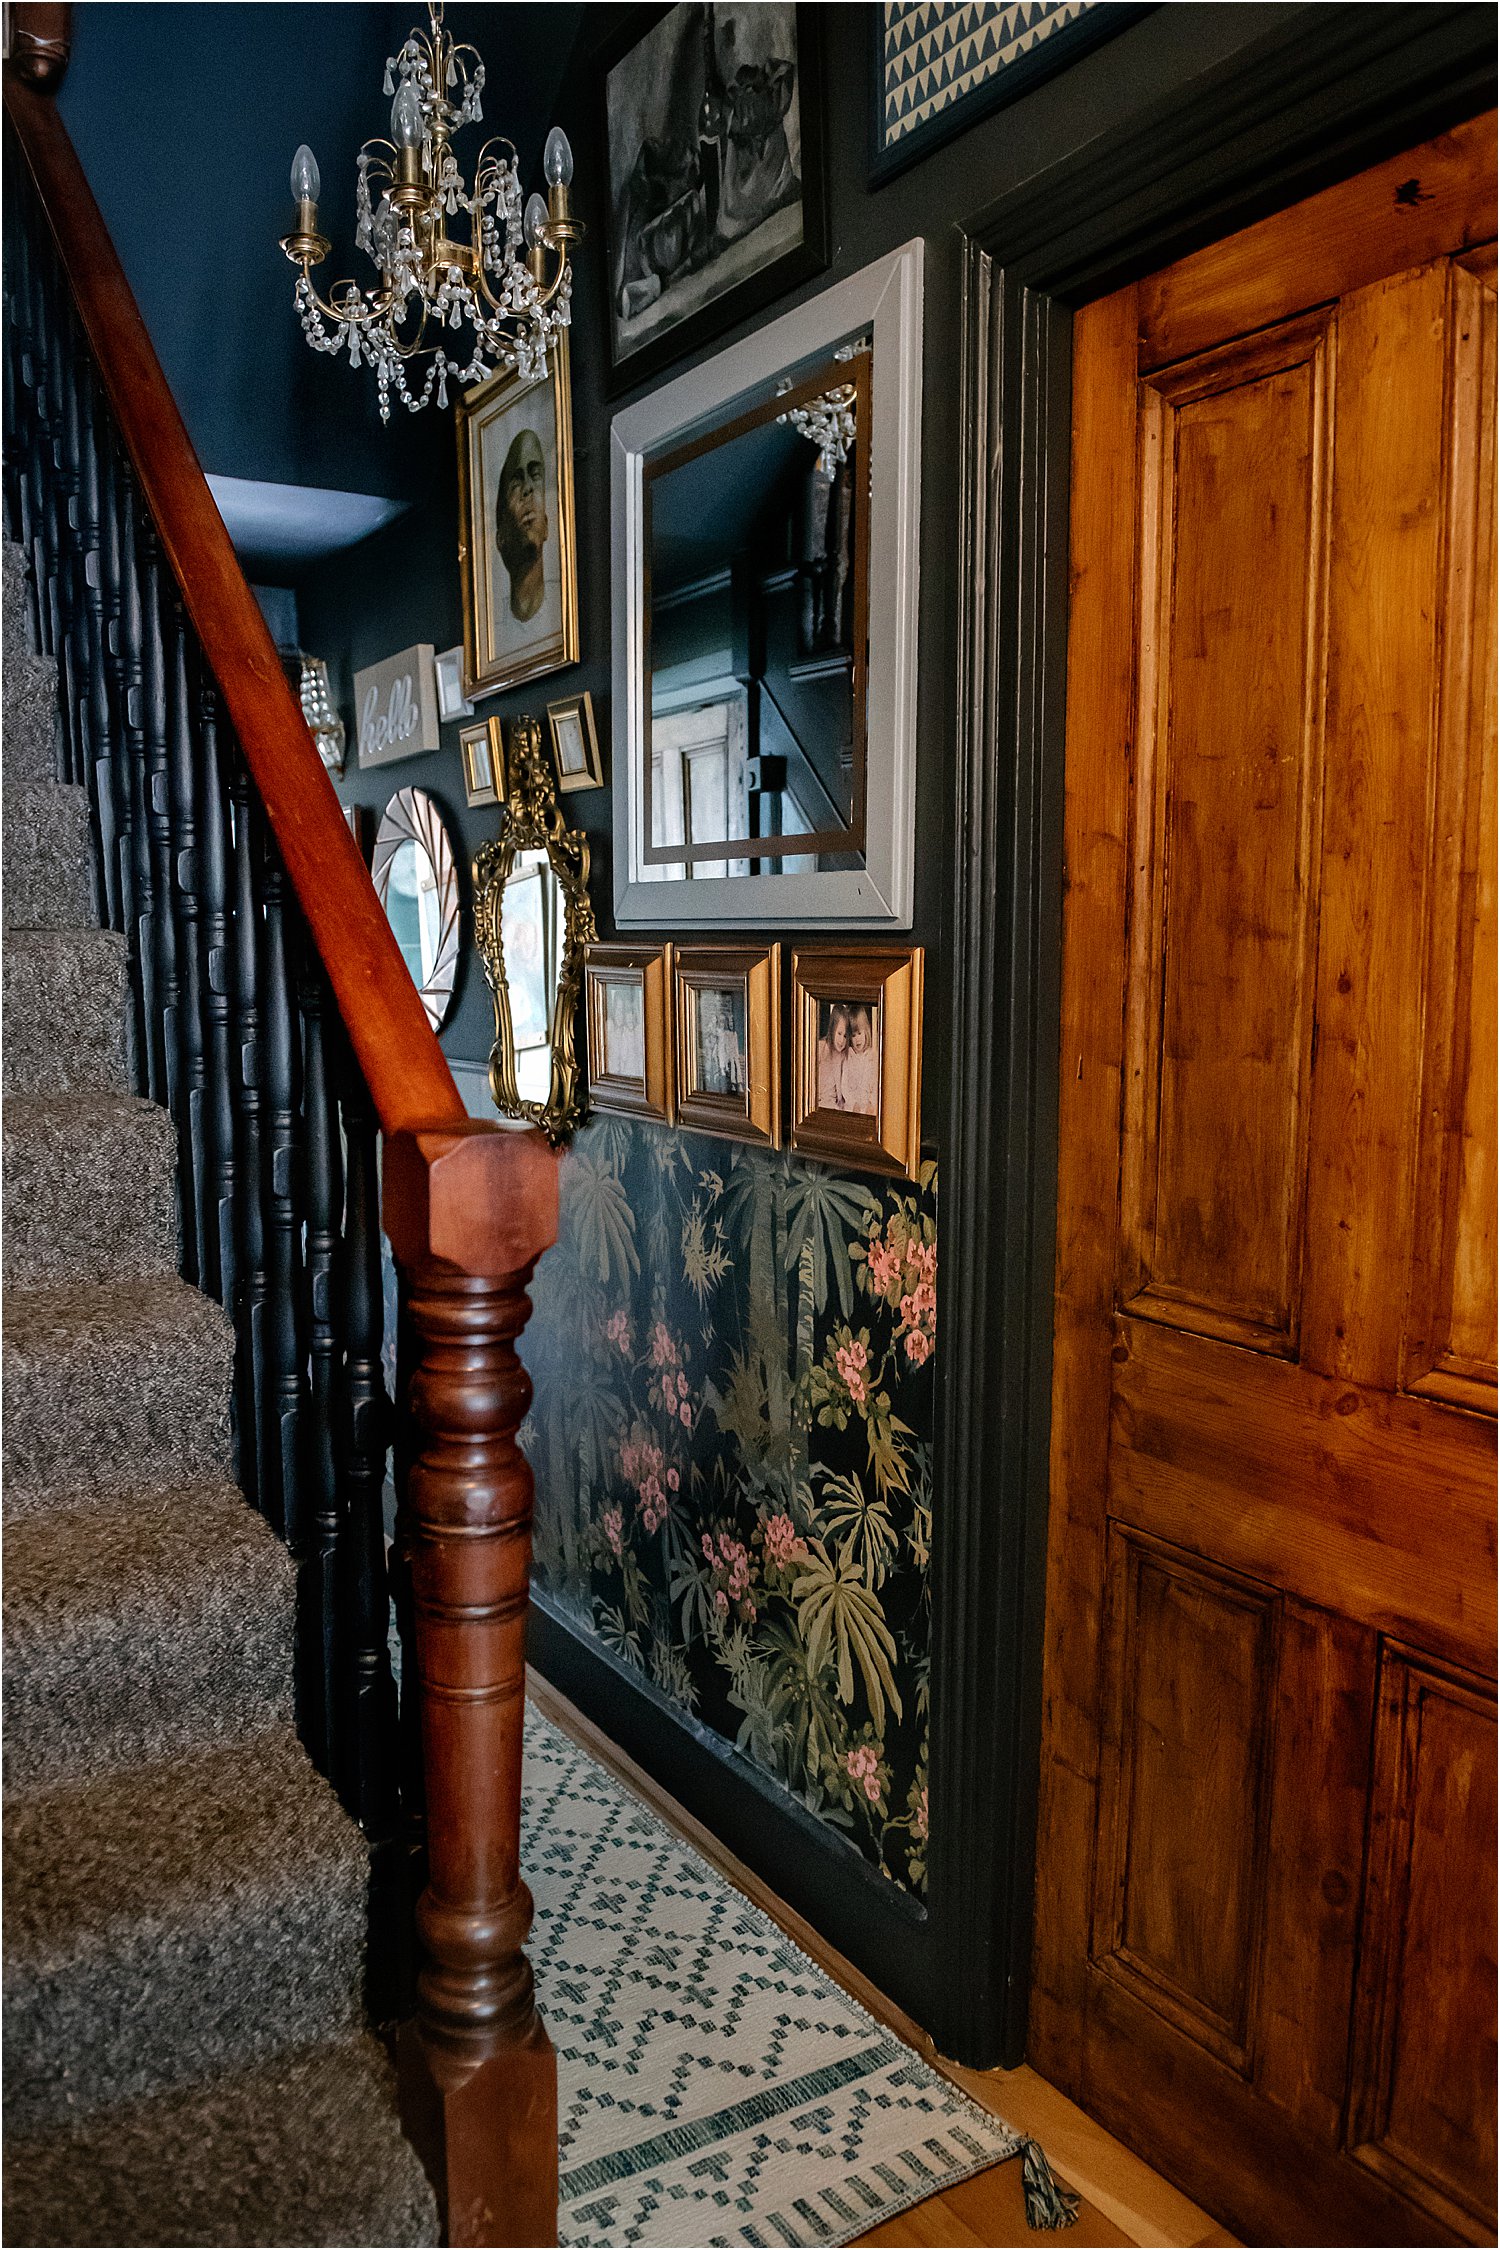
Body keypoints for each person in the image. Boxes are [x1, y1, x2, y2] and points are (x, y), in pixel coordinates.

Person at [495, 427, 549, 624]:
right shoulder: (494, 624)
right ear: (500, 537)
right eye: (516, 483)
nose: (528, 488)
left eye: (535, 475)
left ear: (547, 526)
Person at [841, 1004, 879, 1117]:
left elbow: (876, 1083)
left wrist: (872, 1103)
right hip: (853, 1106)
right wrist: (853, 1103)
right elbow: (845, 1085)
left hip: (869, 1107)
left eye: (859, 1033)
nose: (857, 1039)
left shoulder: (871, 1056)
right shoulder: (848, 1057)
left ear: (866, 1031)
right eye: (853, 1035)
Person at [816, 1003, 849, 1109]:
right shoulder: (821, 1048)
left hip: (831, 1104)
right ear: (832, 1029)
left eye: (845, 1036)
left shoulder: (842, 1055)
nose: (842, 1040)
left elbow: (840, 1093)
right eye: (839, 1033)